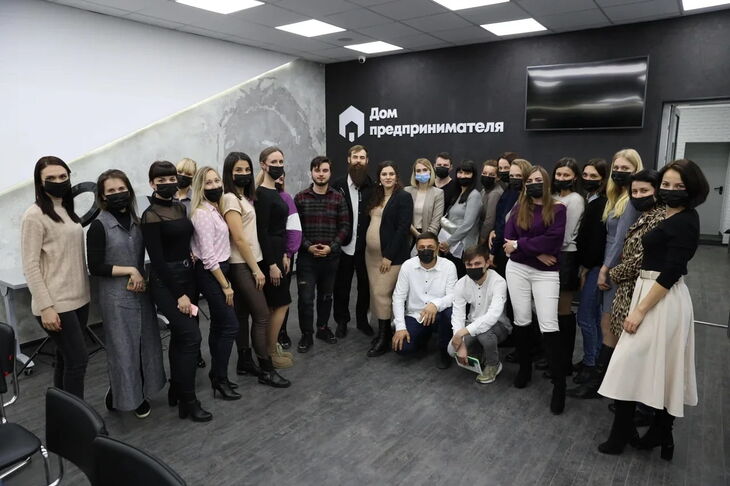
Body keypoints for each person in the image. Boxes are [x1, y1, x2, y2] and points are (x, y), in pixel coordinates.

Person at [597, 159, 708, 458]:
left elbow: (672, 271)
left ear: (692, 189)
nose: (670, 190)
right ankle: (656, 433)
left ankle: (638, 433)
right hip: (648, 292)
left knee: (636, 362)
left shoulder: (686, 220)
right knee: (646, 363)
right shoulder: (668, 214)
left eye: (679, 186)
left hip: (661, 297)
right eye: (666, 184)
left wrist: (640, 310)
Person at [87, 169, 166, 418]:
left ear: (129, 191)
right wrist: (130, 270)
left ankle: (138, 389)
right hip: (115, 297)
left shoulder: (137, 221)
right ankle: (129, 397)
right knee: (123, 350)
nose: (117, 194)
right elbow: (95, 267)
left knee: (147, 344)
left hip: (141, 292)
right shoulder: (99, 226)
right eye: (111, 191)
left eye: (121, 189)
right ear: (102, 196)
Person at [568, 148, 643, 399]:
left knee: (607, 325)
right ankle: (601, 375)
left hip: (613, 269)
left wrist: (604, 269)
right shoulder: (615, 196)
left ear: (636, 170)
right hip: (606, 265)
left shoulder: (630, 200)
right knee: (604, 323)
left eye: (626, 169)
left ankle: (599, 379)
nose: (620, 172)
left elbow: (620, 239)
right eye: (617, 168)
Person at [141, 160, 211, 422]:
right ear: (152, 184)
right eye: (162, 180)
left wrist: (190, 253)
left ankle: (176, 390)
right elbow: (158, 261)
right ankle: (188, 401)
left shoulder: (180, 208)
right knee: (191, 337)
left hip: (188, 276)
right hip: (165, 283)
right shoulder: (150, 215)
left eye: (172, 178)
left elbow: (182, 240)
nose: (169, 183)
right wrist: (179, 294)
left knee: (182, 338)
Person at [21, 156, 91, 399]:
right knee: (78, 361)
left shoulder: (66, 210)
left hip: (79, 299)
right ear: (40, 183)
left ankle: (62, 411)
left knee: (65, 359)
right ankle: (77, 418)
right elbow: (30, 265)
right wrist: (46, 307)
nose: (58, 181)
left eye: (63, 176)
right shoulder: (34, 215)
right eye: (50, 178)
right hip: (56, 303)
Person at [504, 165, 567, 414]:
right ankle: (524, 369)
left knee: (549, 325)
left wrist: (521, 245)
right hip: (517, 269)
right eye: (529, 181)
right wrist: (536, 252)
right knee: (521, 320)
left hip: (546, 274)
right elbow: (507, 244)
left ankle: (559, 386)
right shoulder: (519, 208)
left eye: (538, 180)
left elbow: (553, 241)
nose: (533, 184)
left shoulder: (559, 209)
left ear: (547, 182)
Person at [189, 166, 241, 401]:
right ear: (200, 187)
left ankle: (217, 375)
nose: (214, 186)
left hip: (221, 269)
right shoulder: (202, 213)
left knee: (220, 325)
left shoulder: (215, 208)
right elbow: (208, 256)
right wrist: (225, 285)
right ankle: (220, 379)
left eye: (217, 181)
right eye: (208, 183)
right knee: (230, 325)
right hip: (212, 273)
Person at [294, 156, 350, 353]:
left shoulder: (338, 197)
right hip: (306, 259)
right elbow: (295, 229)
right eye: (317, 170)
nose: (321, 174)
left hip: (331, 258)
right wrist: (308, 247)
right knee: (305, 299)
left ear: (330, 173)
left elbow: (345, 226)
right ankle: (307, 334)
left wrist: (331, 247)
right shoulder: (300, 198)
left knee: (326, 296)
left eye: (325, 170)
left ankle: (323, 328)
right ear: (311, 172)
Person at [365, 161, 414, 357]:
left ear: (396, 176)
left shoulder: (403, 197)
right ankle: (382, 332)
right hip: (371, 256)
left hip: (391, 256)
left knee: (381, 293)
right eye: (384, 174)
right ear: (379, 177)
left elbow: (403, 229)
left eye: (391, 174)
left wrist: (388, 256)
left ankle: (385, 339)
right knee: (375, 295)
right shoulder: (376, 196)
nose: (387, 177)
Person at [391, 232, 457, 368]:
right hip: (416, 315)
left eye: (430, 247)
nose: (425, 250)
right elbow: (398, 297)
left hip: (439, 314)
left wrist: (435, 304)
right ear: (416, 248)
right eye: (421, 247)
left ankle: (444, 350)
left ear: (437, 248)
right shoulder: (408, 266)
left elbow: (453, 296)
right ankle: (423, 336)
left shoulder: (449, 266)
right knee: (402, 348)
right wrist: (400, 327)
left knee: (450, 312)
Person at [255, 146, 294, 369]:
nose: (278, 166)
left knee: (276, 304)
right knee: (281, 303)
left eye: (281, 162)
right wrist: (271, 264)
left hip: (278, 253)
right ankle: (269, 350)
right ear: (263, 165)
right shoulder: (261, 194)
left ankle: (272, 347)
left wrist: (285, 255)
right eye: (274, 162)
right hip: (270, 255)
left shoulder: (274, 192)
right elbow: (262, 232)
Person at [448, 245, 511, 383]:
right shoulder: (461, 284)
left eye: (477, 263)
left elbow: (493, 315)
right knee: (452, 350)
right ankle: (479, 351)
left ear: (487, 263)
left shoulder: (498, 282)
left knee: (484, 334)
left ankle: (493, 364)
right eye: (469, 264)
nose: (473, 267)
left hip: (498, 326)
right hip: (472, 324)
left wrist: (461, 334)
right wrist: (460, 342)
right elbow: (458, 315)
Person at [332, 145, 375, 338]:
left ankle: (362, 321)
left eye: (362, 157)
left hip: (365, 247)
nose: (358, 161)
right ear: (348, 159)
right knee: (341, 286)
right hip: (343, 245)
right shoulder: (337, 185)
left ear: (367, 161)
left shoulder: (373, 187)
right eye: (355, 157)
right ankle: (341, 321)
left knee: (364, 286)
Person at [573, 159, 608, 384]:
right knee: (592, 316)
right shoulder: (590, 199)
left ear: (603, 179)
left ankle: (591, 365)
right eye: (585, 175)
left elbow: (596, 242)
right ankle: (593, 358)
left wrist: (585, 267)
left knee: (586, 316)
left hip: (595, 266)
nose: (588, 179)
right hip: (591, 265)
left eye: (593, 176)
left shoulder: (601, 203)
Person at [551, 157, 585, 377]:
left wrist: (541, 245)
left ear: (574, 178)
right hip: (551, 255)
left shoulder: (575, 200)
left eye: (566, 175)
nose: (561, 178)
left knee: (563, 311)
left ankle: (564, 362)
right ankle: (553, 357)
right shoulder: (553, 197)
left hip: (565, 257)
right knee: (551, 312)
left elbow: (565, 235)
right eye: (559, 174)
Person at [274, 171, 302, 353]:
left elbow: (294, 229)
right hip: (262, 256)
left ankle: (282, 332)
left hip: (283, 256)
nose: (279, 179)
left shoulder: (286, 198)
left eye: (282, 177)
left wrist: (289, 253)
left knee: (283, 296)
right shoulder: (255, 198)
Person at [489, 158, 532, 276]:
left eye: (518, 176)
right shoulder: (510, 192)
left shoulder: (533, 199)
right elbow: (502, 220)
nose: (514, 179)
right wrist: (494, 231)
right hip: (506, 250)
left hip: (526, 253)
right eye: (511, 176)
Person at [439, 159, 481, 277]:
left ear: (473, 176)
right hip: (450, 246)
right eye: (460, 172)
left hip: (462, 248)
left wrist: (449, 243)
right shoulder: (459, 194)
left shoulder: (474, 195)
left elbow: (468, 224)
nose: (462, 176)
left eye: (467, 173)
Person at [404, 158, 444, 241]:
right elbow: (403, 217)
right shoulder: (407, 191)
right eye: (418, 171)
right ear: (415, 174)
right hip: (408, 236)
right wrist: (417, 234)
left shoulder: (438, 193)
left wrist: (425, 238)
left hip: (428, 237)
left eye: (425, 170)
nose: (422, 173)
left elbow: (436, 222)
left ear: (430, 171)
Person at [478, 159, 504, 244]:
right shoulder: (484, 190)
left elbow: (489, 221)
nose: (487, 176)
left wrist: (481, 240)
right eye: (484, 173)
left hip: (487, 238)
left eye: (491, 174)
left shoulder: (495, 193)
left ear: (498, 177)